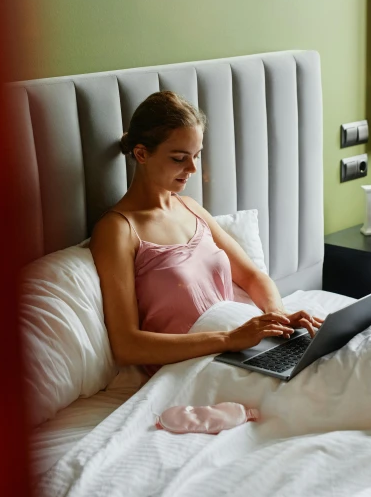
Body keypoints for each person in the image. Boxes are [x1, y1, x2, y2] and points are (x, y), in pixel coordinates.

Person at [90, 91, 323, 376]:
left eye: (197, 155)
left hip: (244, 352)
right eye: (179, 158)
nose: (193, 169)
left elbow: (252, 277)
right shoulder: (118, 230)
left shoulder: (191, 208)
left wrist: (279, 316)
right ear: (141, 154)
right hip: (195, 366)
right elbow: (127, 345)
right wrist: (228, 339)